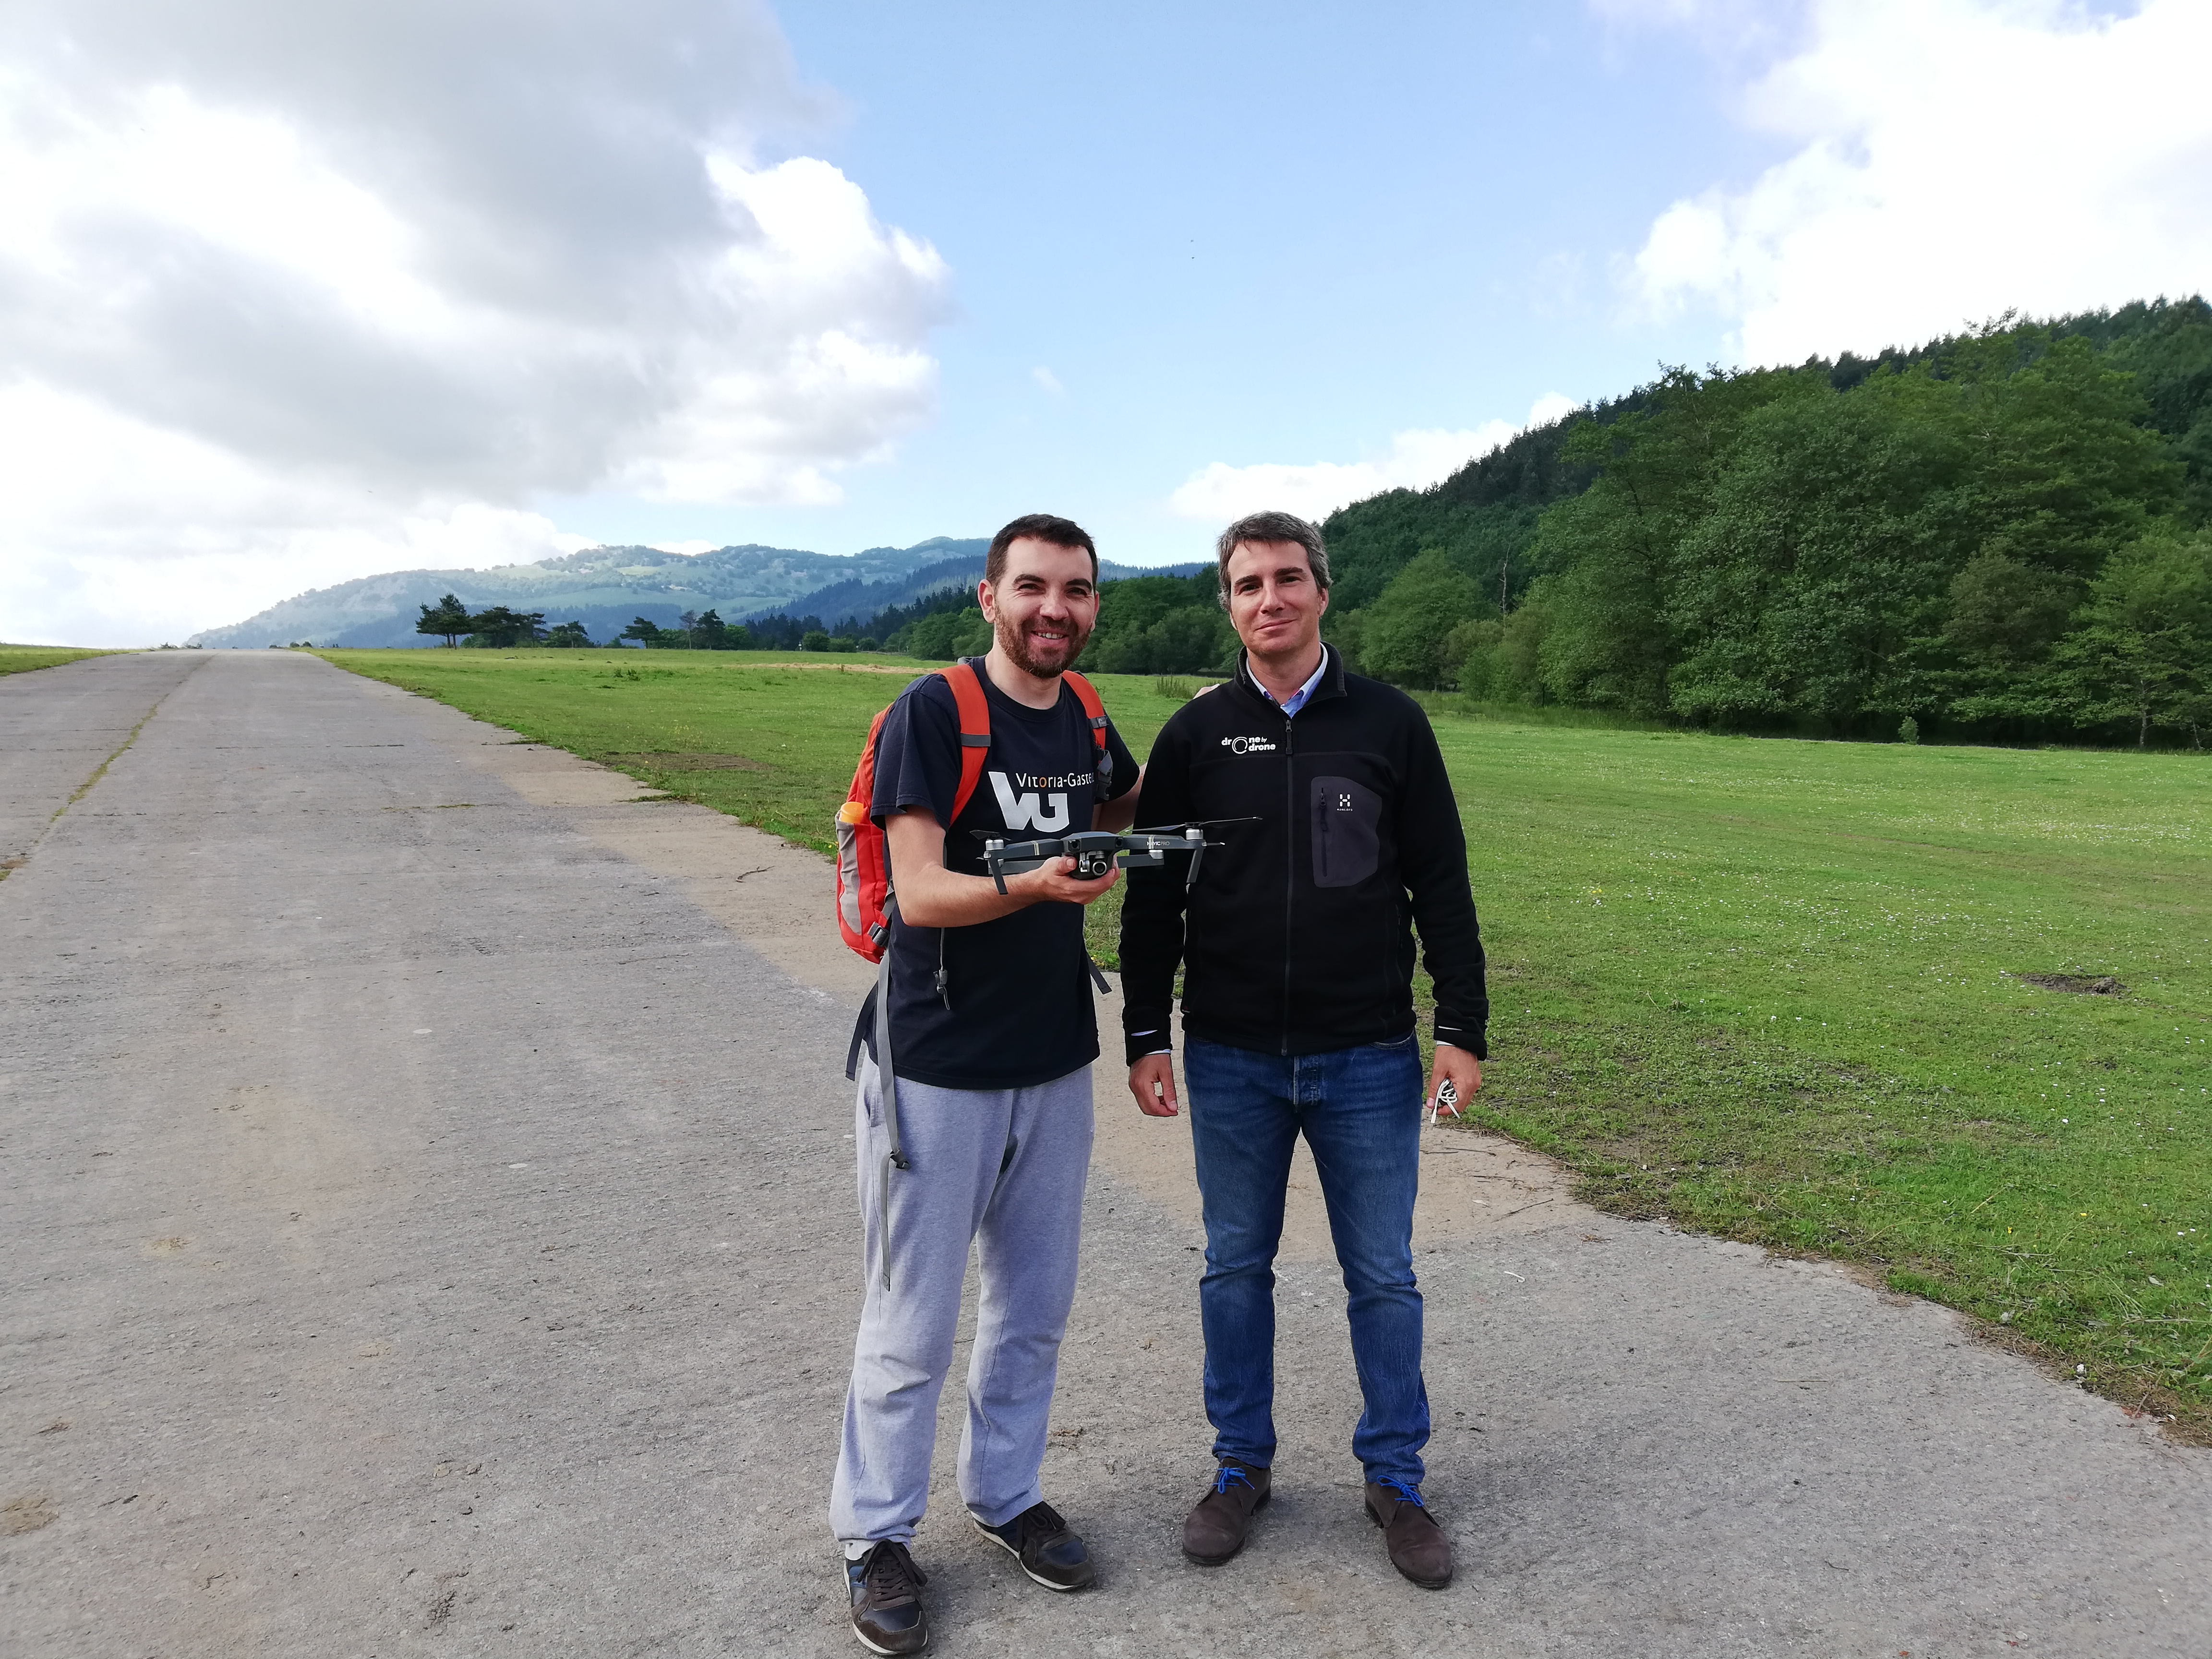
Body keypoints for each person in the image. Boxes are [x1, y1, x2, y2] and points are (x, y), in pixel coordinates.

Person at [1118, 509, 1487, 1590]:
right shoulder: (1193, 736)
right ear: (1229, 605)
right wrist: (1144, 1031)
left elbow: (1442, 882)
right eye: (1248, 585)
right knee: (1235, 1267)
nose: (1269, 599)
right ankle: (1240, 1468)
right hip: (1232, 1055)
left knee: (1384, 1274)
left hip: (1367, 1054)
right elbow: (1154, 897)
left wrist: (1460, 1029)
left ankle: (1397, 1479)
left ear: (1323, 593)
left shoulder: (1391, 723)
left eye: (1287, 579)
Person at [832, 514, 1141, 1655]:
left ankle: (1005, 1495)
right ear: (989, 596)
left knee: (1035, 1306)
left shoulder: (1088, 713)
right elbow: (918, 891)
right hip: (939, 1062)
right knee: (911, 1321)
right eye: (1034, 587)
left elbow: (1117, 803)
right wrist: (1040, 883)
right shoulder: (937, 711)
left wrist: (1111, 835)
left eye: (1077, 590)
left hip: (1054, 1059)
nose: (1056, 608)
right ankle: (875, 1535)